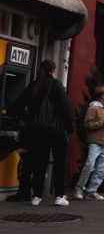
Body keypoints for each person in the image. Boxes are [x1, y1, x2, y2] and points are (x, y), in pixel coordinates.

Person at [12, 59, 75, 206]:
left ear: (41, 69)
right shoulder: (56, 85)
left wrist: (25, 120)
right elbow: (66, 109)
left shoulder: (34, 86)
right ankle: (59, 196)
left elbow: (17, 105)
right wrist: (69, 128)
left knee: (39, 163)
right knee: (60, 164)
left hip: (37, 132)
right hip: (56, 131)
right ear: (53, 71)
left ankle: (37, 196)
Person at [73, 85, 104, 201]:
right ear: (102, 96)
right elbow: (87, 125)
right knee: (89, 165)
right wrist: (103, 123)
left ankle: (92, 191)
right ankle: (79, 189)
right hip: (95, 142)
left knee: (100, 169)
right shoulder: (93, 108)